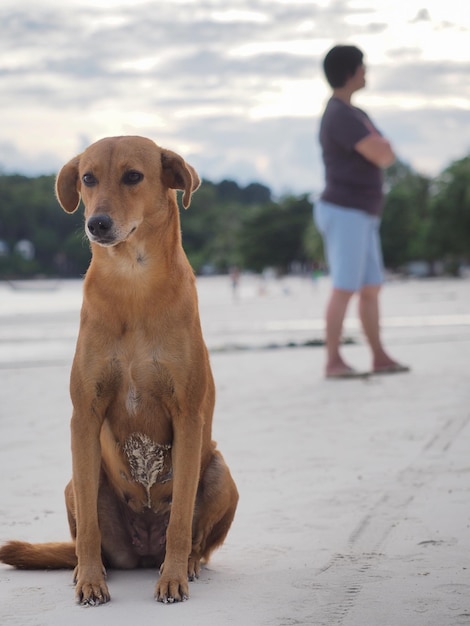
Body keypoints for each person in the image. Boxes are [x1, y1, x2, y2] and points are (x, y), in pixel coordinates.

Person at [314, 44, 409, 379]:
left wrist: (382, 147)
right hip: (345, 210)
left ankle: (379, 355)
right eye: (363, 66)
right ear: (351, 71)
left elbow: (384, 151)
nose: (366, 72)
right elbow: (382, 152)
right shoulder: (340, 114)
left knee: (370, 286)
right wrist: (381, 147)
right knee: (344, 286)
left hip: (362, 212)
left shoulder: (355, 114)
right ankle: (333, 361)